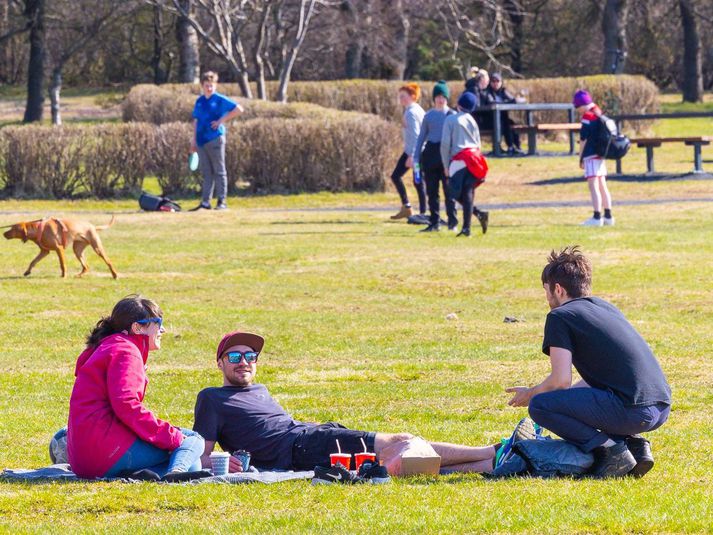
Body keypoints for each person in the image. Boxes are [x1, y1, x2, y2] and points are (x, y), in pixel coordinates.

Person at [193, 330, 505, 479]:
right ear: (220, 363)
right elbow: (201, 456)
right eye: (235, 357)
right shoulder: (212, 398)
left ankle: (490, 467)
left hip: (312, 435)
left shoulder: (259, 389)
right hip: (298, 447)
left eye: (250, 356)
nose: (244, 362)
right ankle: (493, 451)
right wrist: (222, 460)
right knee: (402, 442)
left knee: (391, 459)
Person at [506, 247, 671, 478]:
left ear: (558, 289)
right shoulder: (605, 307)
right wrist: (568, 403)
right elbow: (603, 376)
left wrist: (531, 393)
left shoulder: (559, 317)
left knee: (540, 405)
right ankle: (636, 447)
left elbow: (560, 381)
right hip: (660, 407)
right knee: (558, 401)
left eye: (546, 291)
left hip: (631, 411)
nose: (547, 298)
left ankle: (612, 451)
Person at [67, 295, 209, 482]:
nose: (163, 329)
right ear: (137, 327)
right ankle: (176, 473)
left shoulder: (107, 347)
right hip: (105, 451)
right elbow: (126, 405)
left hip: (83, 459)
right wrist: (169, 436)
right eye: (158, 322)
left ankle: (152, 473)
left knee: (193, 462)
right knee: (193, 440)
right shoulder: (126, 351)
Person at [191, 71, 244, 211]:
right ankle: (205, 202)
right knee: (207, 172)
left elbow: (239, 109)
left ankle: (222, 202)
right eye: (207, 85)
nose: (209, 88)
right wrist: (194, 141)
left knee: (219, 171)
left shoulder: (219, 99)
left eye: (212, 86)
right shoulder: (199, 101)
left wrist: (221, 121)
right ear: (202, 85)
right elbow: (196, 121)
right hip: (201, 141)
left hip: (215, 139)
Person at [440, 92, 489, 237]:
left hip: (460, 159)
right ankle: (469, 225)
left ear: (459, 104)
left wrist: (445, 165)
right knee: (468, 191)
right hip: (475, 159)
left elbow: (445, 144)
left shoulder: (451, 119)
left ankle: (475, 216)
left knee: (453, 192)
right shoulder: (472, 120)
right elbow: (478, 143)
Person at [413, 80, 458, 232]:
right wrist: (416, 158)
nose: (440, 99)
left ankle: (452, 221)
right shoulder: (428, 116)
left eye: (443, 96)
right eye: (438, 96)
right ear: (434, 98)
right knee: (432, 191)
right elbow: (421, 137)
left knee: (449, 191)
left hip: (447, 155)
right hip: (431, 154)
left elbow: (456, 139)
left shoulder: (452, 115)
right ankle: (434, 222)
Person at [574, 90, 614, 227]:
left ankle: (597, 217)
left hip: (590, 154)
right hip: (601, 153)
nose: (578, 110)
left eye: (577, 107)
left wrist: (580, 158)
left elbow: (583, 139)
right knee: (603, 185)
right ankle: (608, 216)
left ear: (582, 104)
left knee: (593, 186)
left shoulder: (587, 116)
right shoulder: (598, 111)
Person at [389, 83, 426, 220]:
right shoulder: (413, 110)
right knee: (396, 176)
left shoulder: (411, 112)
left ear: (412, 97)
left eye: (403, 96)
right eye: (400, 96)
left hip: (416, 153)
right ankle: (407, 207)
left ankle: (423, 213)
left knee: (418, 181)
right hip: (410, 151)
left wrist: (413, 156)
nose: (401, 99)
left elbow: (417, 136)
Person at [481, 72, 523, 155]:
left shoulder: (503, 91)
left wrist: (515, 100)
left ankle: (516, 147)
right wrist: (507, 102)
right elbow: (492, 103)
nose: (495, 83)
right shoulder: (487, 92)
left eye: (498, 81)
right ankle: (503, 147)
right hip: (490, 119)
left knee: (512, 124)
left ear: (501, 82)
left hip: (503, 117)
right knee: (504, 125)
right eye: (493, 81)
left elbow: (512, 100)